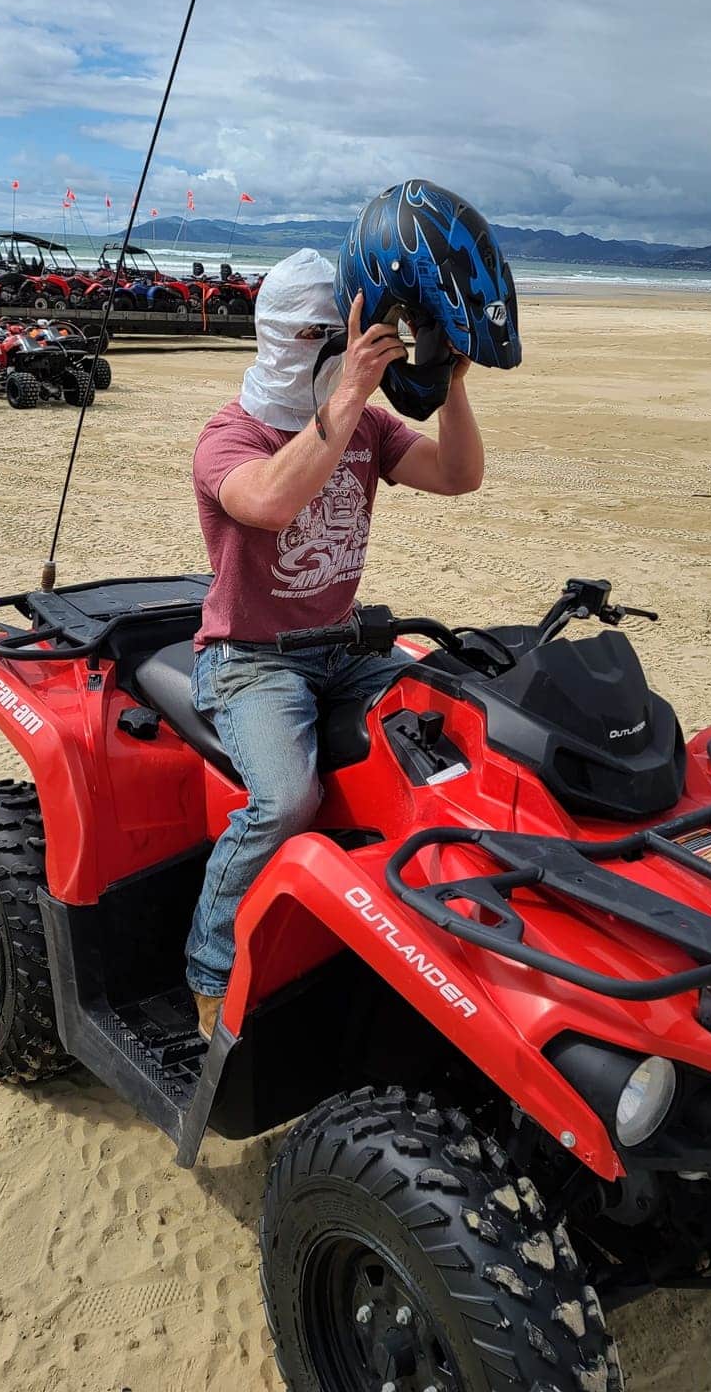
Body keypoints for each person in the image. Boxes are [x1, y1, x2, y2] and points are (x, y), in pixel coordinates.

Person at [187, 184, 520, 1040]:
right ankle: (209, 964)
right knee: (285, 799)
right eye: (324, 342)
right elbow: (265, 503)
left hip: (342, 644)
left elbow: (459, 475)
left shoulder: (365, 429)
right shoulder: (233, 438)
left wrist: (449, 383)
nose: (342, 356)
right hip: (251, 660)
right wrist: (344, 401)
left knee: (464, 727)